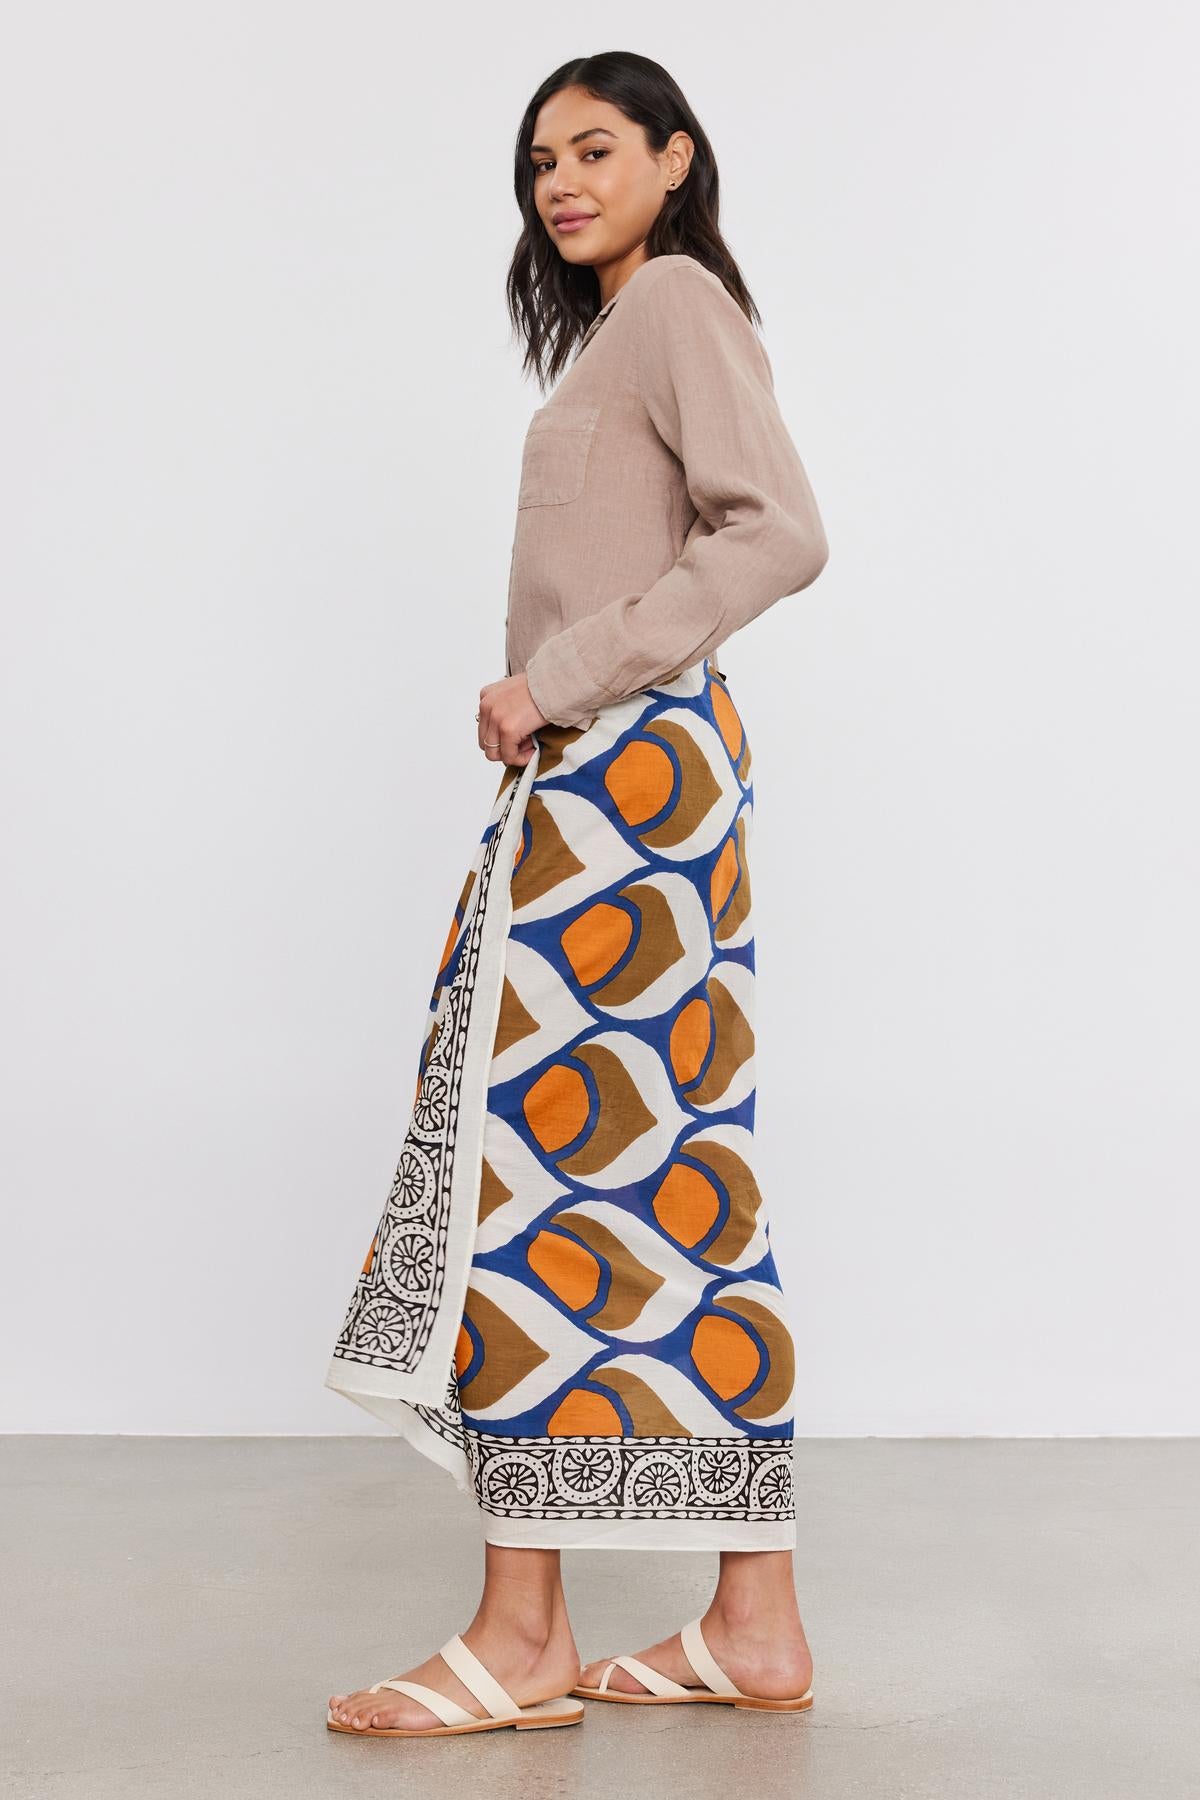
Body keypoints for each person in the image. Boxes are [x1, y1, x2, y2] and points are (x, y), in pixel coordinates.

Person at [324, 49, 830, 1740]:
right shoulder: (634, 326)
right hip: (626, 784)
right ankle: (751, 1623)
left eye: (597, 147)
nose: (560, 179)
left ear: (676, 161)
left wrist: (558, 675)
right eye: (541, 157)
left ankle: (525, 1634)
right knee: (669, 1168)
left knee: (537, 1172)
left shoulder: (676, 300)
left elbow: (777, 534)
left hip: (625, 777)